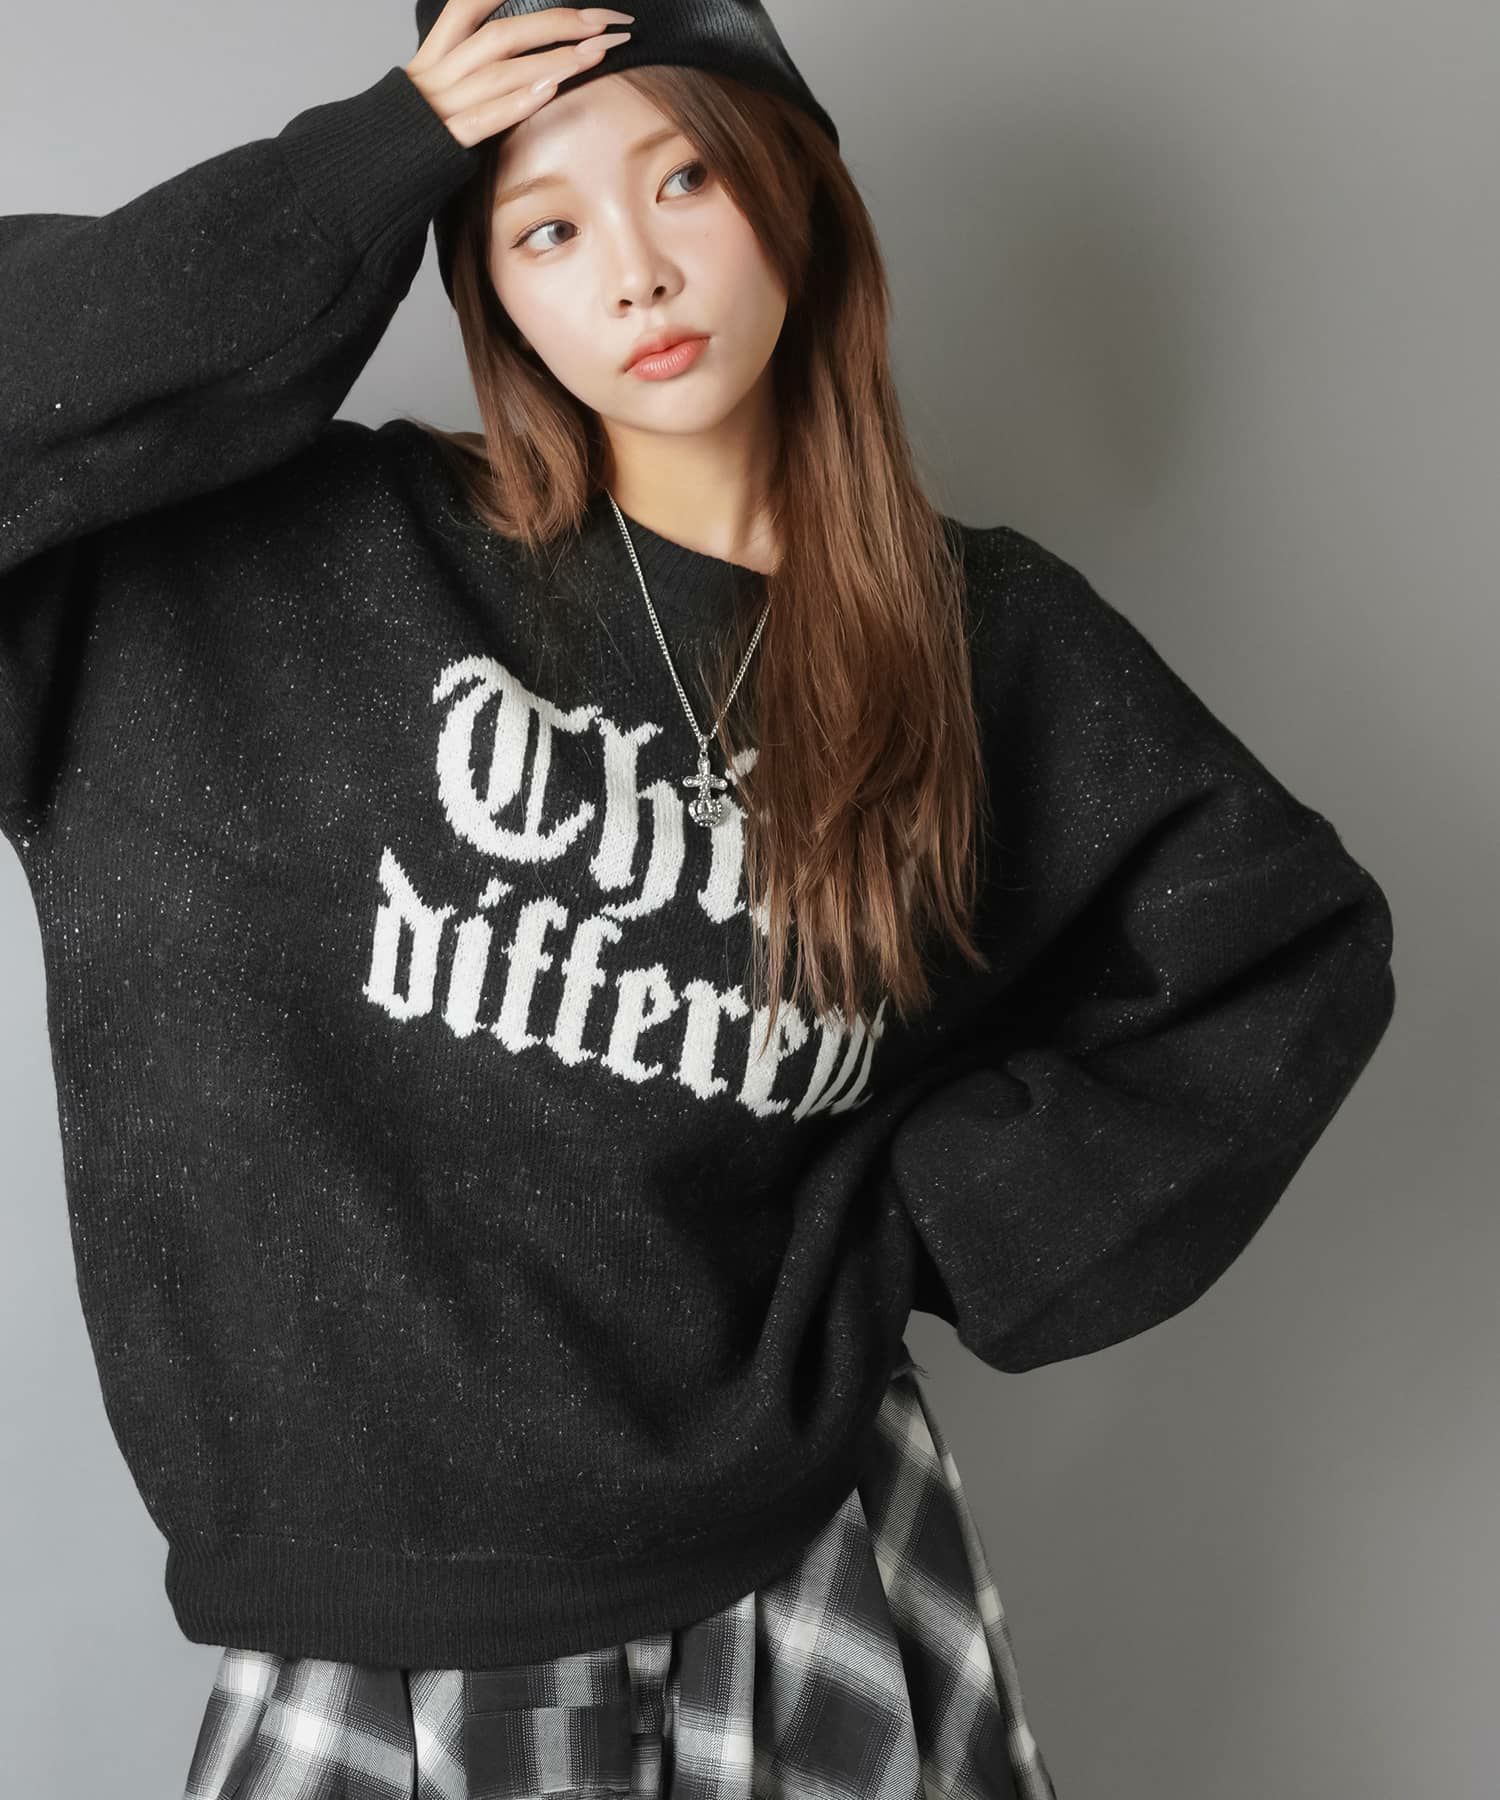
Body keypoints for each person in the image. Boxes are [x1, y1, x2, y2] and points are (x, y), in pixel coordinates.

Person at [0, 4, 1395, 1796]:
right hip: (376, 1646)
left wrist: (926, 1228)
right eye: (545, 225)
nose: (637, 271)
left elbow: (1278, 950)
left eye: (686, 181)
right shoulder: (256, 572)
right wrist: (369, 157)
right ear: (485, 286)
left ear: (791, 203)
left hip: (798, 1570)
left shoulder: (975, 639)